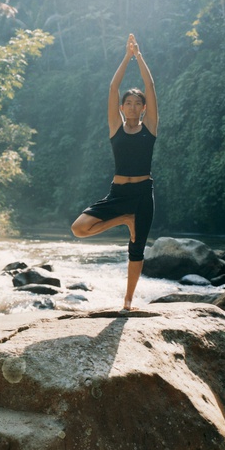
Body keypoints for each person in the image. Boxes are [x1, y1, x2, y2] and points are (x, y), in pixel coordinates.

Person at [71, 33, 158, 311]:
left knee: (136, 250)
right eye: (127, 103)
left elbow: (150, 85)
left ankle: (128, 301)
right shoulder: (115, 128)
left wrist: (140, 56)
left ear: (143, 108)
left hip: (143, 194)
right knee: (79, 228)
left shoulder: (150, 128)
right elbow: (112, 87)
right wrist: (126, 56)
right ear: (122, 108)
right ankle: (124, 218)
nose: (132, 106)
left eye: (137, 103)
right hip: (118, 194)